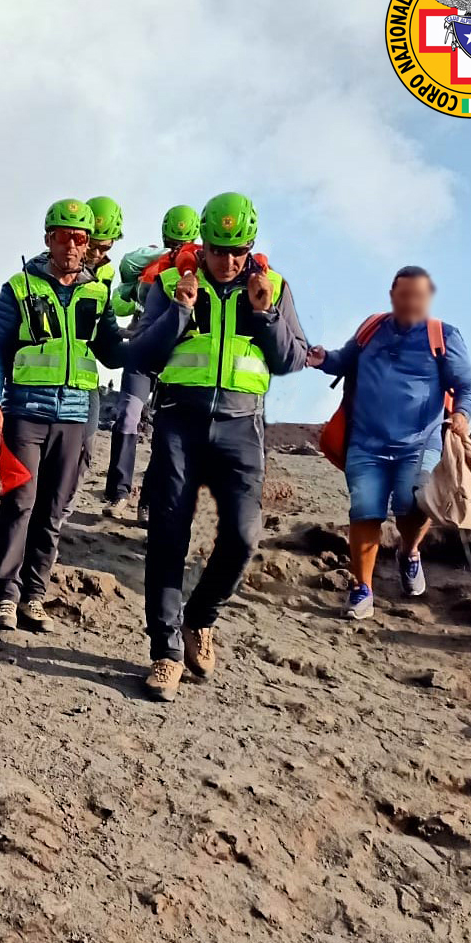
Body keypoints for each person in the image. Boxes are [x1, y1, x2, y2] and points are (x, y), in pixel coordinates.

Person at [127, 191, 308, 701]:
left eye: (238, 250)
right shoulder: (168, 282)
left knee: (245, 538)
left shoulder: (273, 286)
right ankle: (164, 654)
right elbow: (139, 354)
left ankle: (199, 619)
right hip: (178, 422)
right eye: (217, 249)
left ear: (251, 244)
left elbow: (291, 359)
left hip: (242, 427)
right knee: (167, 535)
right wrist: (179, 312)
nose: (227, 262)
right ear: (201, 243)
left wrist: (265, 315)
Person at [0, 199, 125, 631]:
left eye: (80, 238)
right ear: (48, 238)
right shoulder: (20, 288)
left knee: (53, 511)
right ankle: (5, 596)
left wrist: (169, 317)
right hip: (24, 414)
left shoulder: (97, 294)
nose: (72, 246)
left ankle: (33, 597)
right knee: (19, 503)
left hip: (74, 418)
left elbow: (114, 353)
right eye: (64, 236)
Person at [307, 267, 471, 619]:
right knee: (364, 511)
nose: (411, 302)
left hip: (419, 443)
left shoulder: (442, 335)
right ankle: (362, 589)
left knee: (411, 504)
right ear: (393, 294)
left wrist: (462, 415)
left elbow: (468, 386)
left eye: (418, 296)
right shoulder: (373, 328)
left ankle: (409, 552)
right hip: (366, 441)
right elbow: (345, 358)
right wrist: (325, 359)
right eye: (404, 295)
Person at [103, 205, 204, 519]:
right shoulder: (156, 264)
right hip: (149, 354)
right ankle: (122, 495)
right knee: (133, 417)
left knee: (152, 425)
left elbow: (124, 281)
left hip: (168, 357)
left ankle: (141, 501)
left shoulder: (192, 265)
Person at [74, 196, 126, 489]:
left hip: (83, 378)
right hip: (39, 386)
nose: (94, 253)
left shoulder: (106, 273)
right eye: (89, 243)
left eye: (104, 247)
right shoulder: (43, 270)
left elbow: (105, 341)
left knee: (83, 455)